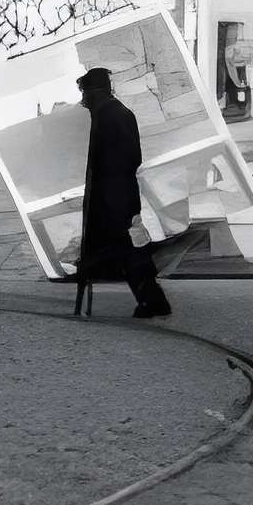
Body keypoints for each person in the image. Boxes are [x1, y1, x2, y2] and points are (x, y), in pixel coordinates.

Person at [76, 67, 172, 319]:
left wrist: (105, 199)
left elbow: (110, 162)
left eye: (85, 93)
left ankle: (153, 301)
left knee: (131, 252)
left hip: (113, 199)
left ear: (94, 92)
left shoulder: (108, 115)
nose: (83, 100)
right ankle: (153, 300)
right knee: (132, 250)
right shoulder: (115, 112)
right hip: (122, 195)